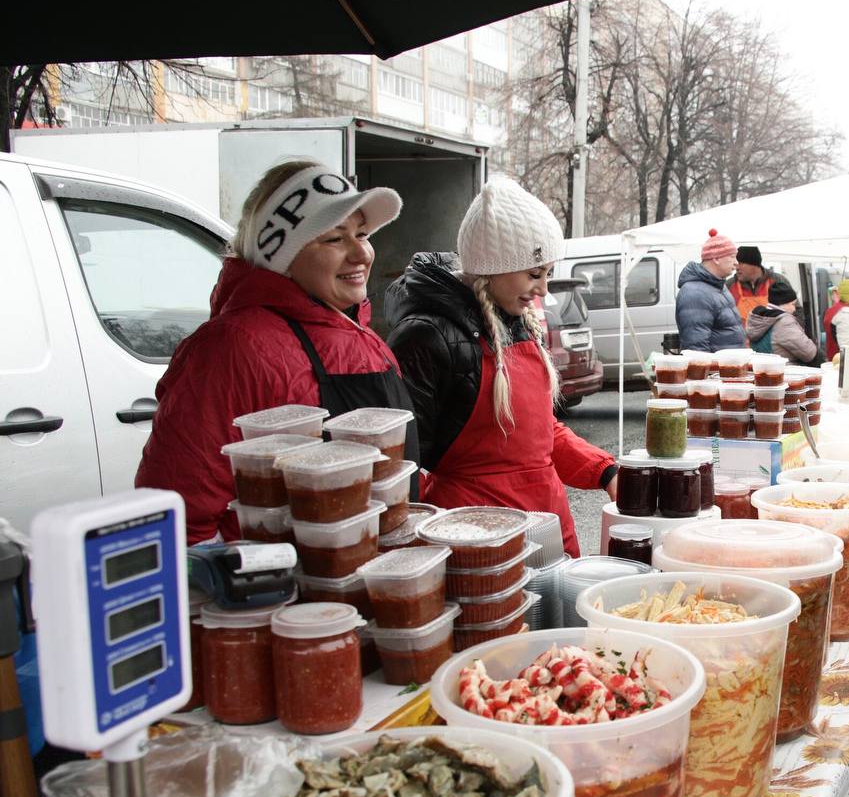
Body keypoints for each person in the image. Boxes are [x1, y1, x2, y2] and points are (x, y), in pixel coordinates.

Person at [136, 160, 413, 544]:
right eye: (334, 238)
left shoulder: (365, 338)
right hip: (286, 595)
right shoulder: (232, 348)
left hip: (379, 584)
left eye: (362, 234)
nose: (361, 254)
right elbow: (177, 517)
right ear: (281, 255)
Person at [383, 177, 618, 558]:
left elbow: (540, 432)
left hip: (546, 524)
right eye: (533, 273)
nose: (543, 289)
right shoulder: (428, 337)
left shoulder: (520, 321)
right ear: (491, 268)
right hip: (475, 536)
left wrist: (605, 471)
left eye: (547, 273)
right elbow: (402, 464)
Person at [676, 229, 746, 352]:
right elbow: (696, 349)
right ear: (716, 258)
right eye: (732, 257)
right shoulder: (695, 293)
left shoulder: (719, 286)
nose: (736, 263)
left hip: (727, 368)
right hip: (716, 370)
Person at [745, 278, 819, 364]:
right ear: (784, 303)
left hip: (764, 370)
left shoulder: (758, 318)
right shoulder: (784, 323)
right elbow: (809, 353)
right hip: (786, 372)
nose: (794, 309)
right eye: (793, 304)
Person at [728, 245, 773, 325]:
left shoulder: (777, 281)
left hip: (773, 337)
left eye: (740, 263)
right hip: (741, 337)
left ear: (754, 264)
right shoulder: (729, 286)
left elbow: (795, 311)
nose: (736, 268)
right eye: (735, 263)